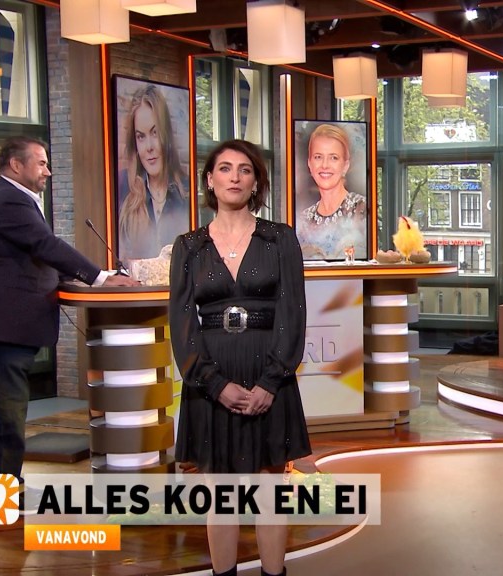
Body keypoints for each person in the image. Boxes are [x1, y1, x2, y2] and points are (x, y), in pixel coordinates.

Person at [0, 136, 139, 480]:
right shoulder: (7, 199)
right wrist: (99, 277)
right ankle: (3, 496)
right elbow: (45, 244)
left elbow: (32, 252)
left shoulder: (8, 196)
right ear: (16, 165)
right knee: (6, 417)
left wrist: (87, 276)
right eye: (41, 163)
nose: (48, 172)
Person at [169, 139, 310, 576]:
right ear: (210, 181)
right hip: (212, 379)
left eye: (245, 169)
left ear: (255, 182)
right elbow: (182, 324)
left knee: (270, 489)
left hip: (268, 374)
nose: (235, 176)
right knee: (221, 493)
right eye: (225, 168)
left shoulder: (280, 238)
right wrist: (214, 384)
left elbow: (293, 314)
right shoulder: (189, 246)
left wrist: (271, 381)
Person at [118, 83, 190, 260]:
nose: (149, 147)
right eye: (141, 137)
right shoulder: (123, 186)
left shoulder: (186, 191)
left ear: (166, 135)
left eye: (155, 133)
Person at [299, 123, 367, 260]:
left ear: (345, 166)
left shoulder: (361, 208)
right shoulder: (304, 218)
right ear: (309, 163)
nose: (325, 165)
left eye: (333, 158)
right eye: (318, 157)